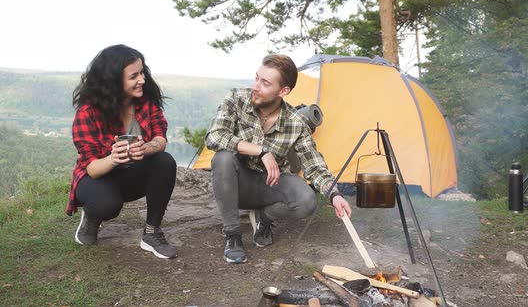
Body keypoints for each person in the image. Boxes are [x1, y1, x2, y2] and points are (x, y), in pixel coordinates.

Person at [206, 54, 352, 263]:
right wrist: (262, 151)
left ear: (283, 91)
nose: (256, 86)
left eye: (265, 83)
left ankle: (264, 219)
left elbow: (314, 166)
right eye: (256, 78)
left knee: (306, 200)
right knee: (222, 158)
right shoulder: (236, 99)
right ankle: (233, 235)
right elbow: (214, 137)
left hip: (270, 185)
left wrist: (335, 195)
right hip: (237, 185)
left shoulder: (296, 122)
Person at [68, 44, 177, 259]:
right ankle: (91, 217)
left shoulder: (146, 101)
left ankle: (151, 232)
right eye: (133, 76)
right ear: (113, 80)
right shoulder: (88, 112)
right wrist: (113, 158)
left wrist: (146, 148)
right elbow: (92, 168)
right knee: (108, 205)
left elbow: (160, 138)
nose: (142, 80)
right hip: (98, 176)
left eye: (142, 72)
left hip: (130, 175)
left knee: (164, 161)